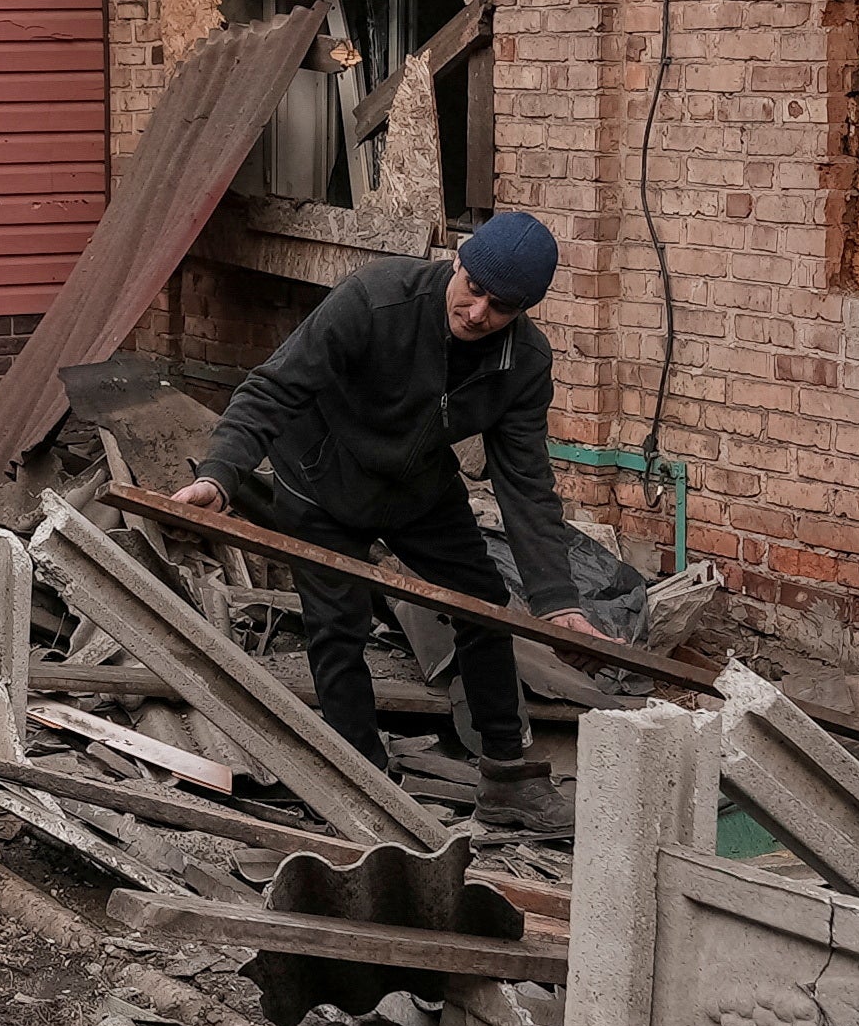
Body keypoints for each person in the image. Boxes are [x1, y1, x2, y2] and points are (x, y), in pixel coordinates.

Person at [170, 210, 602, 834]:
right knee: (337, 626)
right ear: (458, 259)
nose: (479, 313)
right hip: (319, 479)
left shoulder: (523, 363)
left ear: (525, 309)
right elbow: (271, 389)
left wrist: (558, 603)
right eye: (474, 289)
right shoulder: (374, 300)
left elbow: (526, 483)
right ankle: (365, 788)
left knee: (483, 606)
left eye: (501, 307)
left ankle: (507, 780)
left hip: (418, 488)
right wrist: (219, 475)